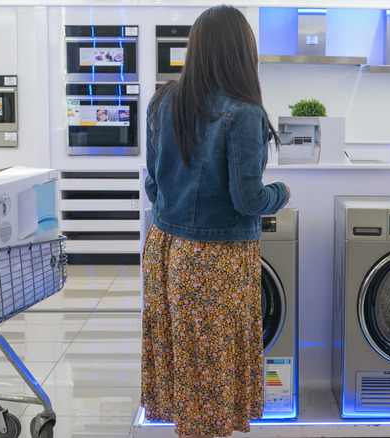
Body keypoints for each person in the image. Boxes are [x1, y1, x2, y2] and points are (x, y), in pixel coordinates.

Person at [141, 5, 290, 438]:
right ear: (242, 53)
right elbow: (248, 200)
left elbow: (154, 185)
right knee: (214, 367)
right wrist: (282, 193)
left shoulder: (164, 98)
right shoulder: (243, 113)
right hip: (216, 261)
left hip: (166, 249)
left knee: (185, 361)